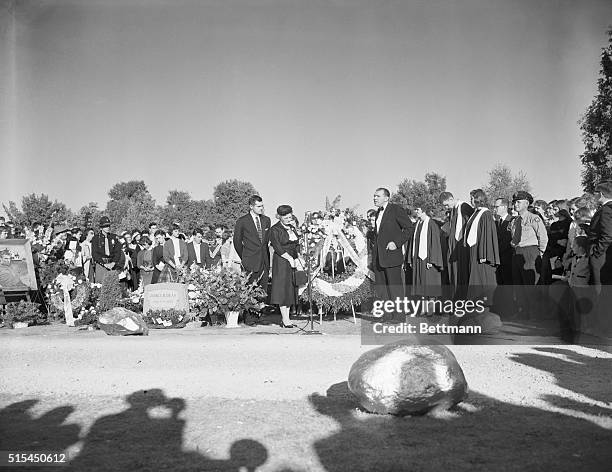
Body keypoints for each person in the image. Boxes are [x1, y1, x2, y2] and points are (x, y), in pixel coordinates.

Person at [509, 191, 548, 318]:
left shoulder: (533, 218)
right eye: (514, 202)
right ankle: (523, 311)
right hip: (518, 252)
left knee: (530, 284)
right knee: (518, 283)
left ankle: (535, 313)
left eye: (518, 202)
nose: (515, 204)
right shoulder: (515, 220)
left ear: (527, 203)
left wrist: (539, 253)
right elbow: (514, 238)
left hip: (530, 252)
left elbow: (543, 237)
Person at [371, 188, 413, 304]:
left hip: (392, 256)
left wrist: (396, 243)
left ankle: (398, 317)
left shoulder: (395, 210)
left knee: (395, 289)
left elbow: (409, 228)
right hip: (379, 257)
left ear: (386, 198)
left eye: (378, 196)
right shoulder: (377, 213)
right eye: (374, 196)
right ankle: (387, 316)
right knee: (382, 289)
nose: (375, 198)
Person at [463, 189, 500, 304]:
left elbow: (487, 235)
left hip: (481, 252)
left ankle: (484, 304)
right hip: (474, 249)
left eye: (472, 198)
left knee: (482, 278)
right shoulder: (476, 213)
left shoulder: (486, 214)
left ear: (478, 199)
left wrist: (484, 253)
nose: (471, 200)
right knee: (475, 278)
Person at [269, 205, 301, 328]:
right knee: (282, 289)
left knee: (289, 288)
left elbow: (296, 244)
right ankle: (285, 318)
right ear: (279, 217)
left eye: (290, 217)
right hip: (282, 261)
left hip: (293, 259)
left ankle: (286, 318)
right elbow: (277, 247)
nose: (288, 219)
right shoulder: (275, 229)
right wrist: (289, 258)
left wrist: (297, 258)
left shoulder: (292, 228)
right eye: (286, 217)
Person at [233, 195, 272, 294]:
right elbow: (237, 241)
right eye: (258, 206)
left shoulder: (266, 220)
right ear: (251, 206)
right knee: (250, 294)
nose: (261, 208)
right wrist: (245, 257)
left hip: (264, 262)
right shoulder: (242, 221)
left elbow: (266, 242)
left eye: (262, 206)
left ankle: (263, 309)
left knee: (263, 293)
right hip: (250, 262)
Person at [439, 191, 474, 299]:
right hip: (453, 247)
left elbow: (471, 226)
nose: (446, 207)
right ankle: (455, 300)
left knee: (461, 275)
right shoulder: (453, 210)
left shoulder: (464, 207)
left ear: (451, 199)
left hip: (462, 247)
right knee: (454, 274)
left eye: (446, 204)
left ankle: (462, 301)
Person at [406, 207, 444, 299]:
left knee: (430, 285)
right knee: (421, 286)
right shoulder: (417, 224)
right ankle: (424, 309)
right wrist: (410, 259)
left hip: (428, 260)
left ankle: (430, 310)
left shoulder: (431, 224)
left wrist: (432, 260)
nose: (416, 211)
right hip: (418, 259)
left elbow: (435, 244)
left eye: (418, 210)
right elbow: (412, 242)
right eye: (415, 210)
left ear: (424, 210)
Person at [589, 180, 612, 289]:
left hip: (601, 253)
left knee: (600, 285)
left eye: (595, 193)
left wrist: (597, 252)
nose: (594, 196)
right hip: (604, 251)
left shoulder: (606, 209)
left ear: (601, 194)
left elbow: (608, 234)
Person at [91, 217, 124, 284]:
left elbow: (117, 252)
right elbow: (95, 254)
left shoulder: (114, 237)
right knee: (100, 284)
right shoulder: (96, 238)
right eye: (105, 226)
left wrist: (114, 262)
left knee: (113, 284)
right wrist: (104, 264)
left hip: (112, 263)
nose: (108, 227)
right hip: (101, 264)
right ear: (101, 227)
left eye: (108, 226)